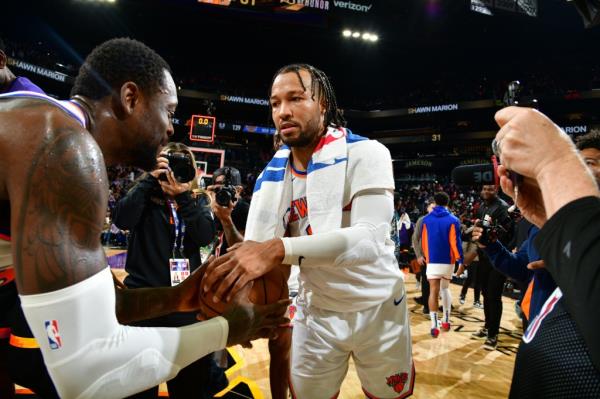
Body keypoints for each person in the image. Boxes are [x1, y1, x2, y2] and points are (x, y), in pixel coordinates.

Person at [0, 38, 287, 399]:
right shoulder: (65, 147)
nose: (171, 128)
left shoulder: (44, 123)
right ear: (130, 98)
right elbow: (84, 371)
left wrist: (180, 297)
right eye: (169, 111)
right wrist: (227, 331)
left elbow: (103, 309)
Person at [202, 63, 414, 398]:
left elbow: (369, 240)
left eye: (296, 98)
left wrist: (278, 248)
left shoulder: (367, 153)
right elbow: (258, 259)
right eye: (275, 103)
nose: (283, 111)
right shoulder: (270, 178)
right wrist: (249, 307)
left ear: (323, 104)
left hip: (377, 309)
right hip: (316, 311)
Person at [492, 106, 600, 397]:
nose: (594, 171)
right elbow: (519, 268)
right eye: (587, 162)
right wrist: (492, 245)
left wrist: (555, 159)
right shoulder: (545, 230)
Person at [112, 142, 227, 399]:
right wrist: (149, 180)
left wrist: (184, 197)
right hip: (143, 303)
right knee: (138, 388)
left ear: (194, 171)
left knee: (190, 387)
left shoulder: (197, 200)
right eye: (168, 165)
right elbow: (122, 220)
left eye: (181, 166)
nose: (174, 172)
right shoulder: (143, 196)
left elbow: (204, 235)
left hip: (186, 306)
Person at [472, 184, 514, 350]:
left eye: (490, 189)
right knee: (485, 293)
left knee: (494, 296)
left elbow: (509, 235)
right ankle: (488, 326)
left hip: (497, 258)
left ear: (496, 190)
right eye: (484, 189)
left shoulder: (503, 208)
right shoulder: (482, 207)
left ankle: (493, 335)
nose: (487, 191)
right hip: (484, 257)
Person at [421, 191, 463, 337]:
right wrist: (460, 260)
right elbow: (454, 242)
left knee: (433, 290)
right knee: (444, 289)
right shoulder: (453, 219)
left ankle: (434, 325)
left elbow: (424, 242)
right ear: (447, 203)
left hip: (432, 259)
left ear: (435, 202)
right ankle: (445, 321)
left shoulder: (426, 219)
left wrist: (428, 257)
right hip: (447, 260)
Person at [412, 200, 434, 313]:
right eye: (432, 207)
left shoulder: (441, 220)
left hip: (437, 257)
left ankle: (434, 305)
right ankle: (426, 306)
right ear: (427, 208)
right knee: (426, 283)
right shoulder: (422, 220)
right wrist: (419, 255)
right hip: (425, 257)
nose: (434, 209)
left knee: (436, 283)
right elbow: (415, 239)